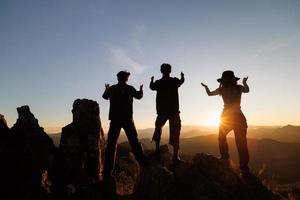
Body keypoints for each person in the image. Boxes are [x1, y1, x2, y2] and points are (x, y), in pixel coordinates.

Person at [201, 70, 250, 175]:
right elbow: (247, 90)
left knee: (221, 138)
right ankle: (244, 167)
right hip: (238, 118)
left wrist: (206, 88)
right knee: (241, 143)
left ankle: (225, 159)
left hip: (226, 118)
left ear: (223, 80)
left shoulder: (221, 89)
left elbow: (209, 94)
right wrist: (245, 82)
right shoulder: (238, 88)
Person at [102, 71, 147, 178]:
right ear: (126, 79)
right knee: (134, 142)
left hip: (115, 119)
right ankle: (143, 162)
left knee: (111, 145)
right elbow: (139, 96)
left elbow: (104, 96)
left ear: (118, 78)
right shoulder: (130, 88)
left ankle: (108, 172)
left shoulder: (112, 88)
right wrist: (141, 90)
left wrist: (106, 88)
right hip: (127, 119)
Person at [150, 63, 185, 165]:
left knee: (158, 129)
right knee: (175, 132)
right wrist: (182, 76)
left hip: (162, 111)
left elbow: (151, 87)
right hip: (173, 111)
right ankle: (175, 157)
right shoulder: (174, 81)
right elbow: (181, 81)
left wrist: (151, 80)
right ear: (170, 71)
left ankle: (157, 151)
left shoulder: (159, 82)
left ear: (161, 71)